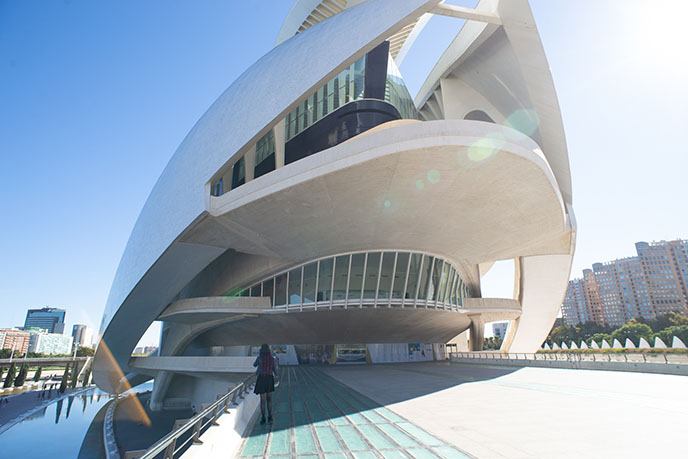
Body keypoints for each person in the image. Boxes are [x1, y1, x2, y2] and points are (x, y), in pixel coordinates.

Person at [253, 344, 278, 424]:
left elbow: (254, 365)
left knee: (262, 400)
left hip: (261, 379)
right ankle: (270, 417)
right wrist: (277, 377)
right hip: (269, 379)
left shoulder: (259, 358)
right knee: (269, 399)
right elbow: (275, 370)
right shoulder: (272, 359)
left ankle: (263, 418)